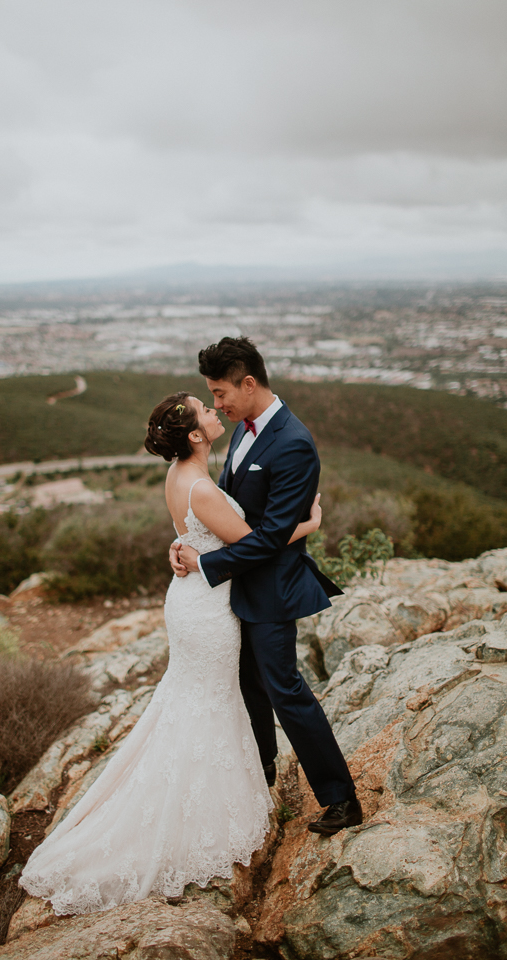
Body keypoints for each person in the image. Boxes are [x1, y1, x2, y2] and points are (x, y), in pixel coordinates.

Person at [19, 390, 322, 915]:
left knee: (193, 699)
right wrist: (310, 525)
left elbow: (195, 536)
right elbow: (256, 543)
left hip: (192, 598)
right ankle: (191, 816)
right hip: (207, 609)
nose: (213, 409)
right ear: (197, 435)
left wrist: (185, 549)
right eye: (205, 410)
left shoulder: (178, 474)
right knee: (205, 701)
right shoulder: (202, 486)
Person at [171, 336, 362, 836]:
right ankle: (263, 769)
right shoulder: (244, 432)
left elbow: (273, 537)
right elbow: (230, 512)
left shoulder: (293, 442)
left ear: (248, 383)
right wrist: (190, 547)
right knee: (249, 685)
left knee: (285, 690)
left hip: (272, 590)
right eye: (211, 396)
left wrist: (208, 566)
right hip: (237, 590)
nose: (217, 405)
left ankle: (342, 798)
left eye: (219, 393)